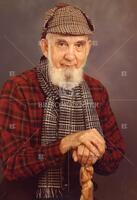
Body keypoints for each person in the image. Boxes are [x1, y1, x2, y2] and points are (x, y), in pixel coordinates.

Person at [0, 3, 125, 200]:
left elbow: (114, 159)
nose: (70, 56)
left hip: (79, 194)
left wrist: (95, 151)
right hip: (25, 195)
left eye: (79, 45)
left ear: (88, 48)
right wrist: (66, 143)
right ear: (45, 46)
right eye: (61, 44)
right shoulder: (18, 88)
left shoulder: (97, 90)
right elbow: (11, 166)